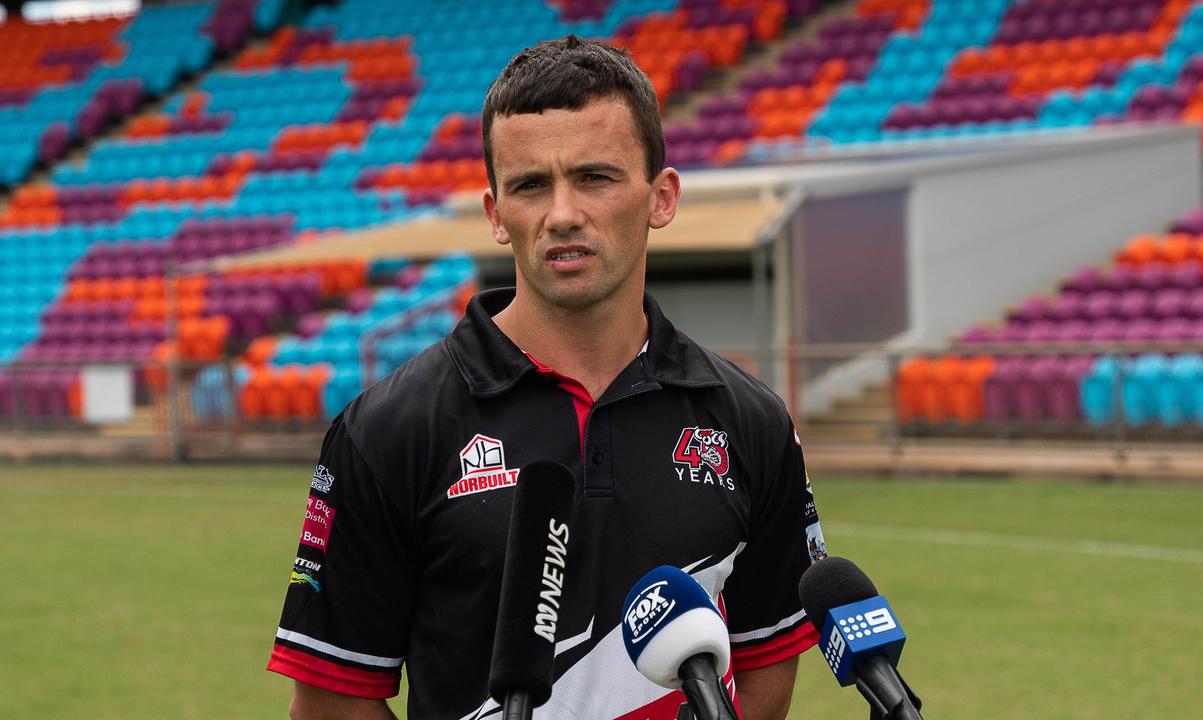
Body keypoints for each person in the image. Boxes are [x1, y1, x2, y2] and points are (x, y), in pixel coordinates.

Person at [268, 35, 827, 720]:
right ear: (497, 214)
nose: (563, 213)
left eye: (595, 177)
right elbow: (330, 701)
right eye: (532, 185)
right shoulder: (388, 430)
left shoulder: (751, 422)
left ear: (661, 196)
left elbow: (766, 664)